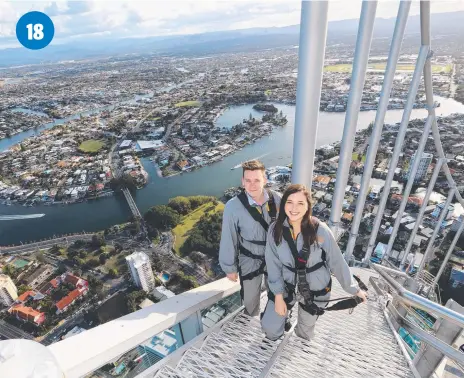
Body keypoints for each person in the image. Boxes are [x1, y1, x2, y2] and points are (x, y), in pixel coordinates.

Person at [261, 184, 367, 340]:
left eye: (300, 203)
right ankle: (282, 321)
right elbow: (273, 265)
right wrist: (277, 296)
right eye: (289, 202)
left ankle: (302, 338)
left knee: (305, 333)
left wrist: (355, 290)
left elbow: (336, 261)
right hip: (286, 286)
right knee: (270, 329)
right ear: (283, 204)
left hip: (315, 289)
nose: (294, 208)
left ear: (307, 207)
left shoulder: (320, 230)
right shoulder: (274, 231)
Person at [219, 160, 281, 316]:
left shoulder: (277, 200)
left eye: (257, 180)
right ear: (242, 181)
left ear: (264, 180)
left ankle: (271, 324)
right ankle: (251, 319)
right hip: (249, 258)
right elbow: (228, 237)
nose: (252, 185)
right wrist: (229, 267)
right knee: (249, 298)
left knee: (277, 295)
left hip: (274, 256)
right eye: (248, 180)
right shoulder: (233, 206)